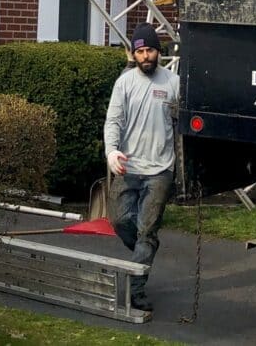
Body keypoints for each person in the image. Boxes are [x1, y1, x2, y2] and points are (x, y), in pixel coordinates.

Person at [103, 23, 180, 313]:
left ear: (158, 52)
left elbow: (181, 126)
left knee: (146, 232)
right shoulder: (124, 83)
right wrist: (112, 152)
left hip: (161, 169)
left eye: (150, 50)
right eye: (140, 51)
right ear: (133, 54)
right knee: (121, 222)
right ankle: (144, 251)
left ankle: (135, 290)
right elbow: (113, 121)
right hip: (128, 166)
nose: (145, 56)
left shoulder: (173, 83)